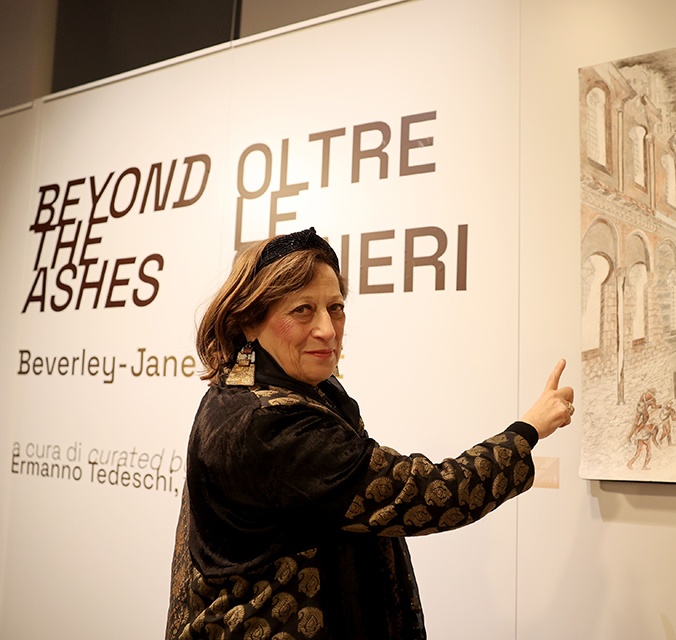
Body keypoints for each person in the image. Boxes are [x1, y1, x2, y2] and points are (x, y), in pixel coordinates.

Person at [166, 228, 574, 640]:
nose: (327, 329)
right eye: (302, 310)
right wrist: (529, 429)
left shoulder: (244, 390)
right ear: (249, 322)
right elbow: (430, 493)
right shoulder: (270, 424)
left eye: (336, 308)